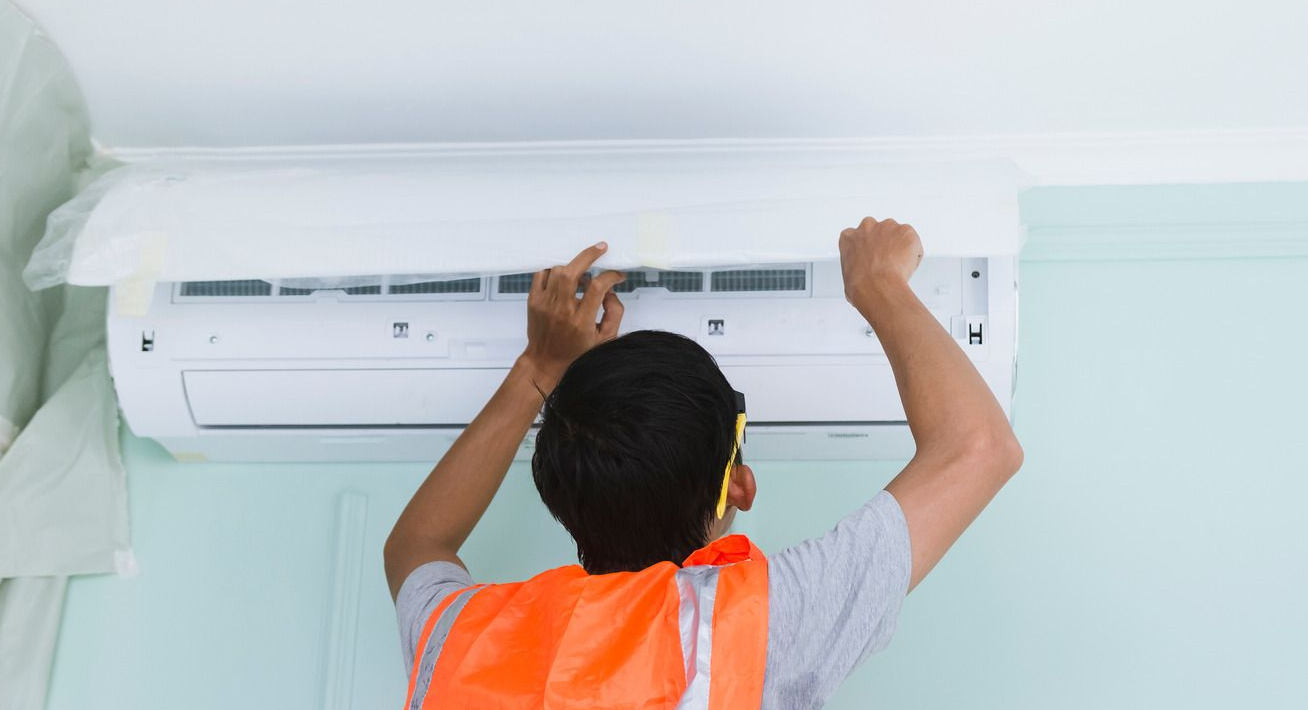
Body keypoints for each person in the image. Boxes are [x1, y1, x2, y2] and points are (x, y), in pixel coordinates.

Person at [385, 218, 1024, 709]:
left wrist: (539, 370)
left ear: (560, 497)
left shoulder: (464, 638)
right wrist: (878, 282)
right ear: (737, 486)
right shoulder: (759, 625)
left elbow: (418, 542)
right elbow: (979, 448)